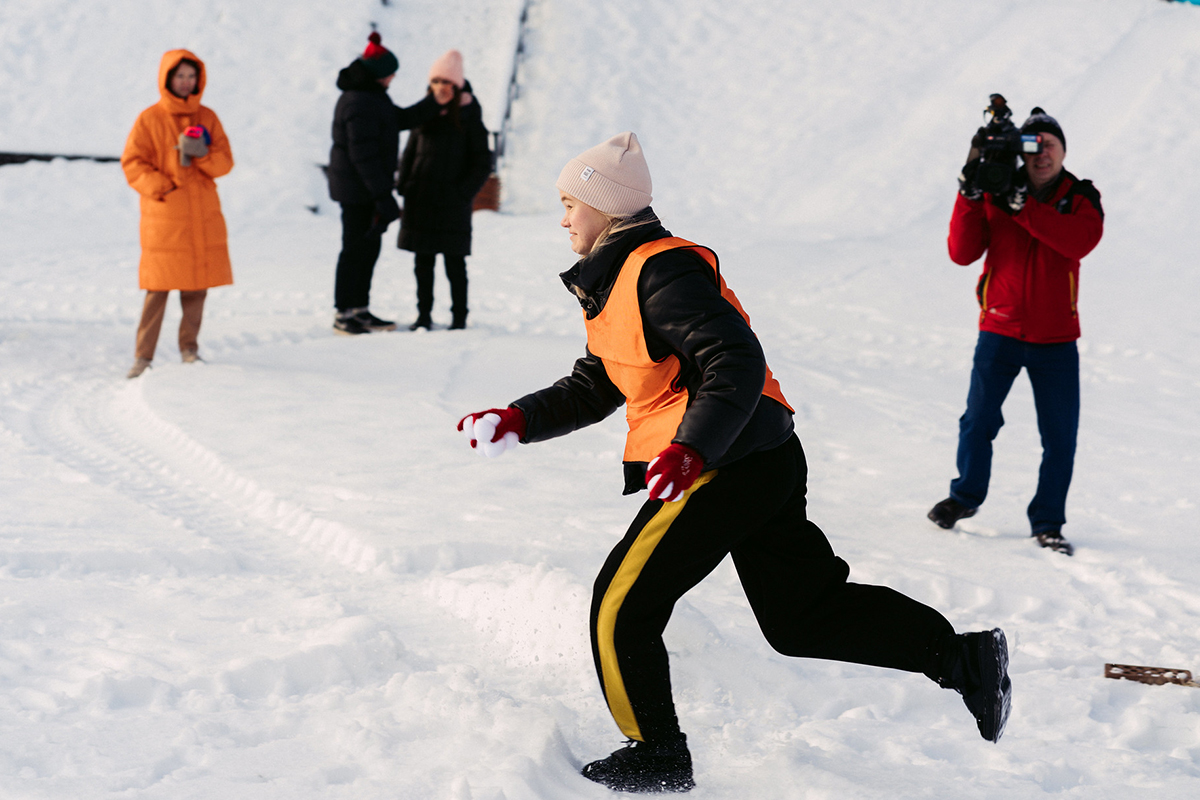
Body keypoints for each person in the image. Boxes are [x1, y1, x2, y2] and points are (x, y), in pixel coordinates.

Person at [457, 132, 1012, 794]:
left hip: (721, 464)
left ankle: (656, 751)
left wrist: (692, 449)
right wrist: (518, 418)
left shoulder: (660, 273)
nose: (563, 217)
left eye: (570, 202)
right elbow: (601, 381)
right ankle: (961, 657)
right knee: (801, 615)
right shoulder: (622, 277)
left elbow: (735, 360)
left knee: (621, 603)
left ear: (605, 207)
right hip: (761, 456)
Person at [927, 106, 1104, 557]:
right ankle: (964, 498)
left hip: (1056, 340)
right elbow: (961, 253)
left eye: (1051, 144)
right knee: (978, 422)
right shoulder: (997, 188)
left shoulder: (1080, 197)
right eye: (1032, 145)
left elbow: (1078, 241)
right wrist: (968, 196)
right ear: (1020, 152)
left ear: (1064, 150)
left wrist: (1023, 209)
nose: (1041, 153)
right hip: (999, 331)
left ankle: (1047, 523)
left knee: (1060, 437)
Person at [120, 50, 233, 378]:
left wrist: (201, 156)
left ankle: (189, 349)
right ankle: (143, 356)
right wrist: (161, 186)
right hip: (166, 217)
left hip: (201, 214)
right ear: (167, 78)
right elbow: (133, 162)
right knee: (158, 289)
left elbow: (225, 161)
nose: (186, 82)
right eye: (180, 76)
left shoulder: (208, 117)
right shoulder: (149, 119)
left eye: (191, 76)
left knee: (197, 287)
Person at [327, 33, 444, 335]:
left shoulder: (371, 96)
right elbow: (362, 155)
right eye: (391, 72)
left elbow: (399, 119)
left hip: (366, 188)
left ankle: (359, 309)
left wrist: (434, 103)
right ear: (379, 73)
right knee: (354, 249)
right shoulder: (358, 100)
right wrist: (382, 195)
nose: (393, 77)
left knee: (368, 248)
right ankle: (344, 313)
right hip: (358, 190)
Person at [396, 50, 492, 331]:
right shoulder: (425, 111)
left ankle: (459, 318)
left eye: (446, 80)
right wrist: (404, 184)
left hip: (452, 203)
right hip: (421, 198)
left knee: (454, 264)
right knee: (422, 262)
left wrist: (462, 194)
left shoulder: (470, 116)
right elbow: (410, 151)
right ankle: (423, 316)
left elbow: (482, 163)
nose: (440, 86)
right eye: (435, 80)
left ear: (457, 84)